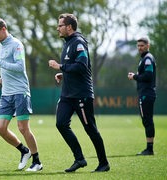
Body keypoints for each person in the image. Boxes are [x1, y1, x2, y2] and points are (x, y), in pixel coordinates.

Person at [48, 13, 110, 172]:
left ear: (69, 27)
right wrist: (64, 73)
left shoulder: (78, 43)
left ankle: (104, 163)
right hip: (67, 95)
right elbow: (73, 66)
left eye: (60, 25)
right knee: (61, 124)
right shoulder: (67, 43)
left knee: (91, 130)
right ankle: (80, 159)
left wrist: (60, 67)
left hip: (82, 95)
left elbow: (82, 66)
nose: (58, 28)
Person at [0, 18, 42, 171]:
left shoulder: (16, 44)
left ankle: (37, 161)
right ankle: (24, 151)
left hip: (20, 92)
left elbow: (19, 67)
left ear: (4, 29)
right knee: (0, 128)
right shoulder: (2, 46)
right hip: (6, 94)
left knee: (23, 128)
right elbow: (9, 67)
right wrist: (3, 76)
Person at [128, 37, 156, 156]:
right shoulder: (144, 59)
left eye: (142, 45)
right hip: (145, 93)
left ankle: (149, 149)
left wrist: (134, 77)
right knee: (146, 120)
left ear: (148, 45)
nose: (140, 48)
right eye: (138, 46)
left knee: (147, 120)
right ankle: (149, 148)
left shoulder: (148, 59)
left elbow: (148, 76)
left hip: (147, 94)